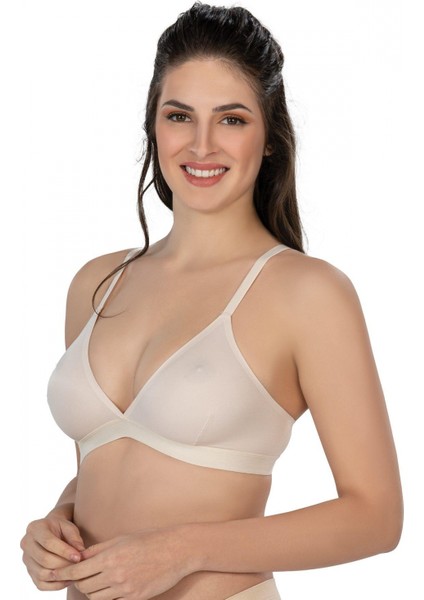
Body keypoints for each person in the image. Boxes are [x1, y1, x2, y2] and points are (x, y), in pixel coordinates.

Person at [20, 3, 403, 599]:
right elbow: (103, 467)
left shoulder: (306, 293)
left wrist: (183, 551)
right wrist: (56, 524)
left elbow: (376, 517)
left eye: (231, 119)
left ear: (269, 137)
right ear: (153, 126)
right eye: (180, 116)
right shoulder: (97, 283)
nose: (201, 145)